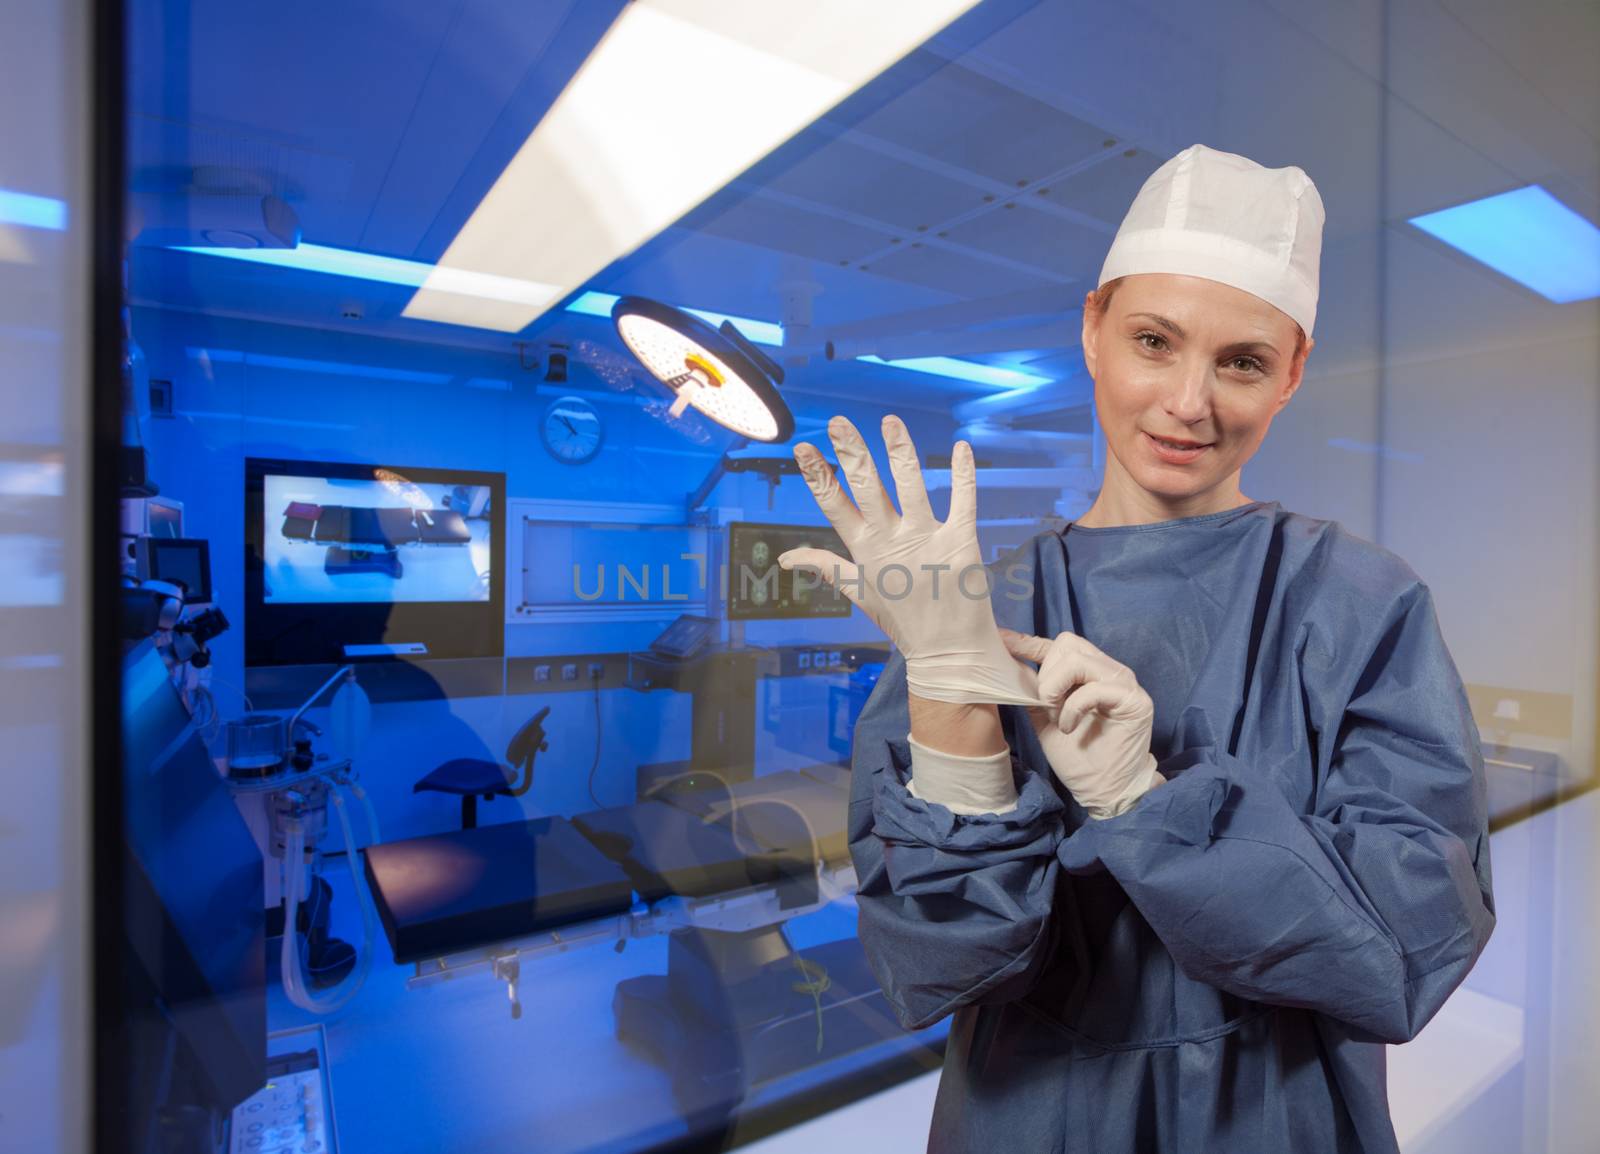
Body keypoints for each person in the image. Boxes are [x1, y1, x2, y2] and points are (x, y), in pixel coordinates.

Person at [778, 144, 1495, 1153]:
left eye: (1240, 360)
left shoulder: (1359, 604)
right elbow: (935, 967)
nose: (1189, 400)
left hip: (1277, 1121)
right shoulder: (976, 609)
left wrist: (1142, 801)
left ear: (1290, 373)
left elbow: (1400, 956)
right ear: (1092, 331)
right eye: (1154, 340)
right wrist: (952, 710)